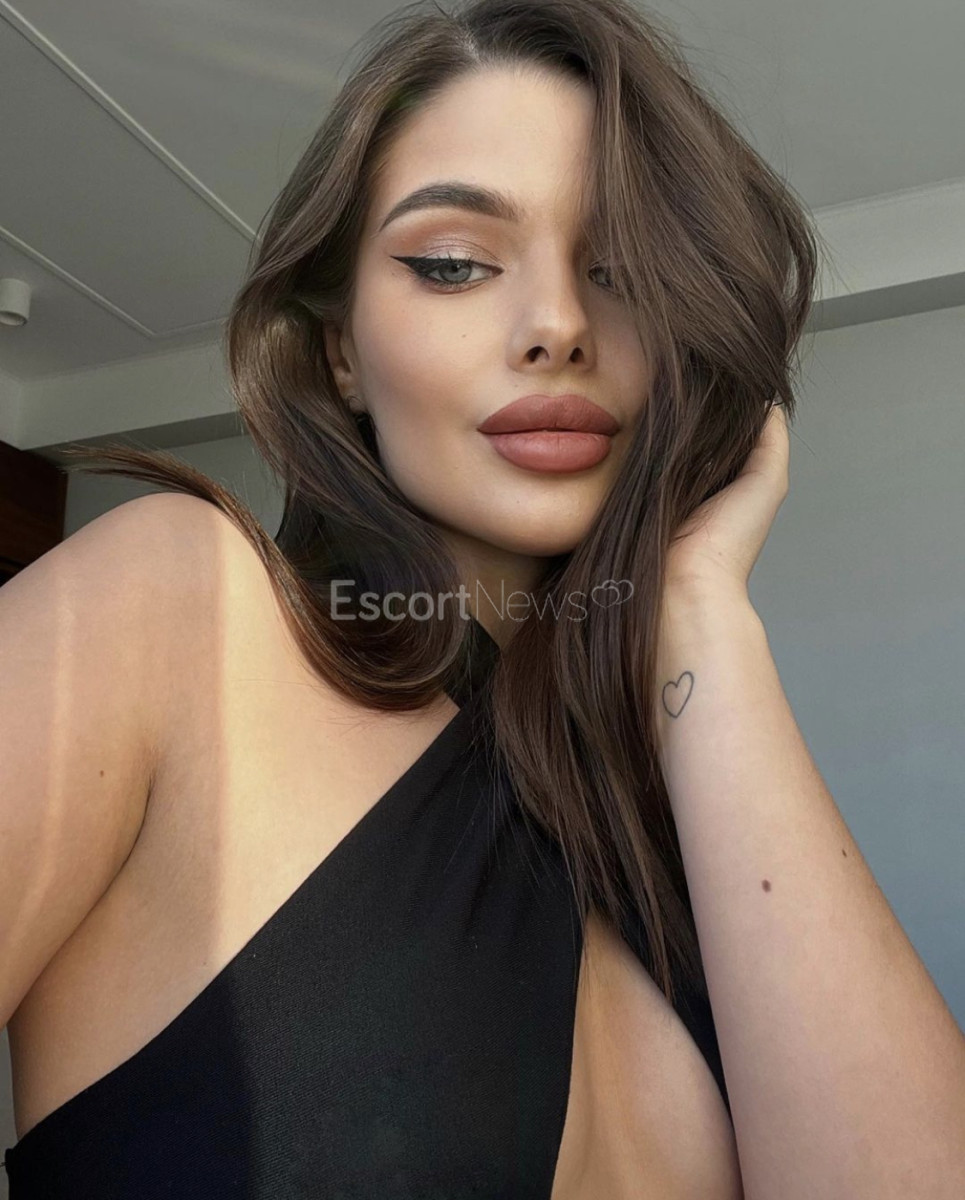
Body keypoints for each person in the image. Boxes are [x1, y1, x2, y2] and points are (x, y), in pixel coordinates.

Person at [3, 0, 964, 1195]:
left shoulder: (673, 826)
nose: (558, 325)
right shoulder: (175, 607)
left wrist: (698, 608)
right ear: (341, 352)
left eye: (621, 270)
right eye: (453, 263)